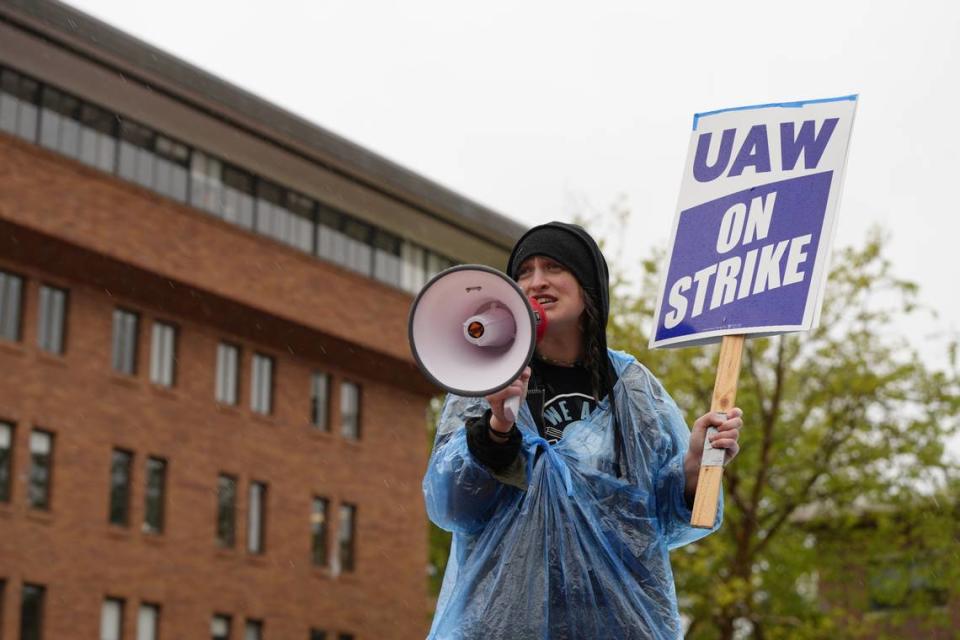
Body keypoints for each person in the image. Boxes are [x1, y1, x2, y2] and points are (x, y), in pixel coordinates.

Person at [423, 222, 743, 640]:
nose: (536, 282)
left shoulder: (632, 389)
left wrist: (694, 466)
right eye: (524, 272)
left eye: (553, 267)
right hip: (503, 624)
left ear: (587, 284)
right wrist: (497, 427)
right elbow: (452, 507)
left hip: (618, 623)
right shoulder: (485, 377)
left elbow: (660, 521)